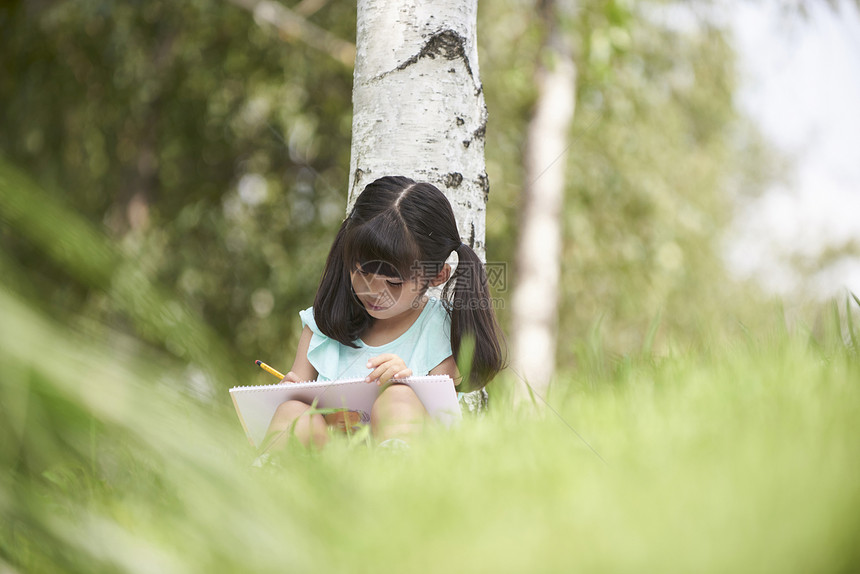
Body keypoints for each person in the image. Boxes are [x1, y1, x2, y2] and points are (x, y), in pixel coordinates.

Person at [262, 175, 505, 450]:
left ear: (437, 277)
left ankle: (394, 474)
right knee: (292, 412)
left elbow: (439, 422)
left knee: (398, 399)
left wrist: (410, 382)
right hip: (332, 463)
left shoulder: (440, 330)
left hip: (413, 465)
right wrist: (293, 393)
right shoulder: (323, 325)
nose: (372, 291)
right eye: (361, 272)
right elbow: (301, 410)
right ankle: (270, 478)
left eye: (393, 283)